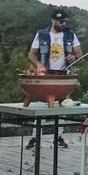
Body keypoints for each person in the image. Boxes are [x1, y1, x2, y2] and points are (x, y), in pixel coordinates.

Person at [25, 8, 82, 149]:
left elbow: (79, 53)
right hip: (46, 73)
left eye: (64, 21)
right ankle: (35, 137)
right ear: (52, 20)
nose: (62, 24)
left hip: (63, 74)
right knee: (43, 106)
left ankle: (59, 137)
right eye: (59, 21)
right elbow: (31, 54)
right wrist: (38, 64)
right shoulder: (42, 34)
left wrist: (74, 57)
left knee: (63, 104)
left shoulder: (70, 34)